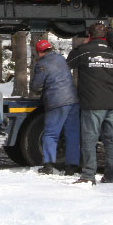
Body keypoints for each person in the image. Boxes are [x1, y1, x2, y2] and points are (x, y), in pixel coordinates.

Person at [67, 23, 113, 184]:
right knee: (111, 140)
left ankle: (88, 175)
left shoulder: (84, 51)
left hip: (92, 103)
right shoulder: (112, 53)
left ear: (89, 35)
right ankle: (111, 174)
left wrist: (82, 46)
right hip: (112, 103)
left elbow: (69, 62)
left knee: (90, 140)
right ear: (105, 36)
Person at [30, 39, 80, 175]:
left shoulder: (42, 64)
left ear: (39, 52)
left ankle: (48, 165)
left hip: (56, 101)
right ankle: (72, 165)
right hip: (73, 100)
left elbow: (36, 86)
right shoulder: (61, 59)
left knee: (51, 133)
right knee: (72, 133)